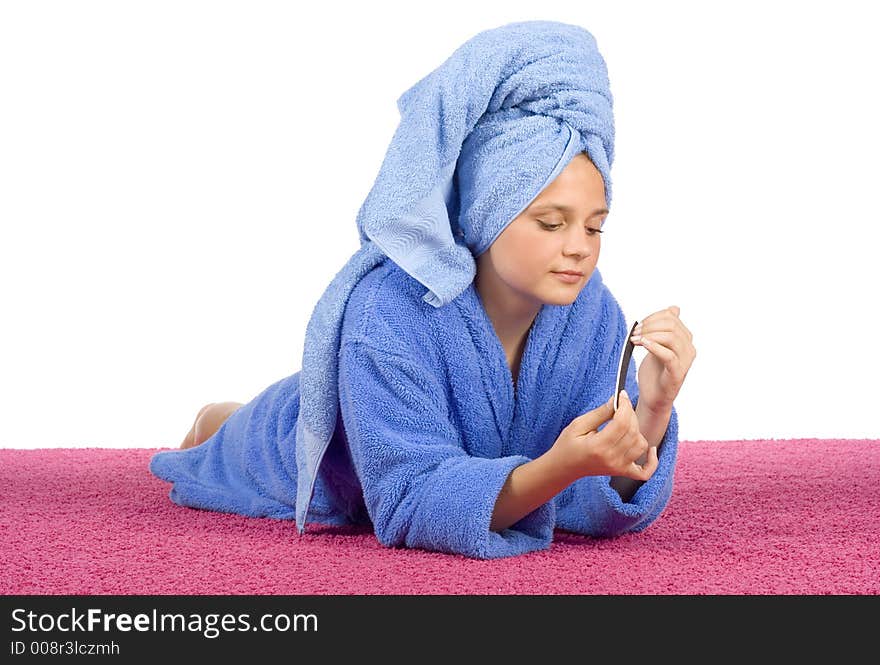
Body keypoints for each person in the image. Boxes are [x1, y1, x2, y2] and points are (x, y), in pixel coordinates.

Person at [150, 20, 696, 560]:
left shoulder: (593, 314)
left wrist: (651, 406)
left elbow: (587, 504)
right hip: (314, 450)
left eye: (595, 226)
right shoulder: (387, 312)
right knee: (232, 439)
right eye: (551, 223)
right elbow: (407, 498)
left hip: (434, 438)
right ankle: (220, 417)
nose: (580, 247)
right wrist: (556, 468)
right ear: (486, 213)